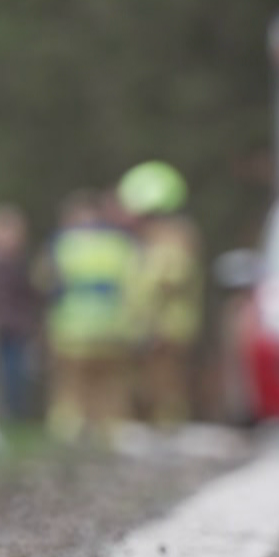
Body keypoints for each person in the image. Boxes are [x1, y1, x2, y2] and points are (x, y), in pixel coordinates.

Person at [40, 191, 140, 442]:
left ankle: (69, 432)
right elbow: (137, 285)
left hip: (73, 330)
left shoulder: (61, 244)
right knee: (111, 387)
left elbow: (44, 282)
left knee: (71, 388)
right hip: (112, 329)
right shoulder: (120, 244)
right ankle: (112, 431)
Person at [118, 161, 203, 426]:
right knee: (145, 387)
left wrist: (151, 324)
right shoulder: (146, 240)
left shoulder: (173, 237)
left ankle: (169, 430)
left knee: (166, 388)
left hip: (166, 329)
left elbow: (169, 281)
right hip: (149, 328)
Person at [0, 205, 41, 420]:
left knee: (13, 374)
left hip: (15, 328)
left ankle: (13, 414)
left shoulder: (20, 265)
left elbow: (32, 295)